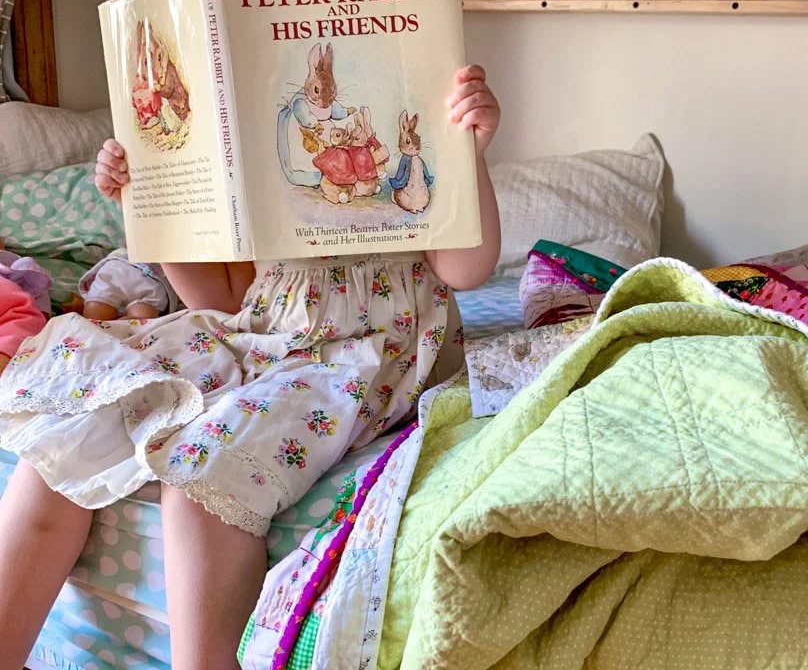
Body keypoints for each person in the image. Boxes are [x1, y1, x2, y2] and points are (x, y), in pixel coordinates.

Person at [0, 65, 501, 670]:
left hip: (370, 346)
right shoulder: (262, 147)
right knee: (72, 424)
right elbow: (225, 300)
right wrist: (148, 208)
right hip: (262, 331)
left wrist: (468, 151)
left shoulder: (401, 134)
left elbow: (467, 271)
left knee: (201, 475)